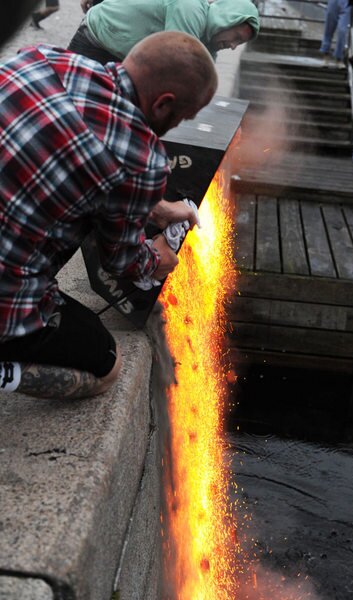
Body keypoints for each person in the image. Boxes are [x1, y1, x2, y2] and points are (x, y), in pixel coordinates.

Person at [0, 31, 218, 400]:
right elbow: (123, 261)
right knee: (106, 364)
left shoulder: (41, 59)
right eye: (183, 117)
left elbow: (80, 161)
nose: (178, 126)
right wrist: (159, 258)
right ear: (164, 104)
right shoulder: (143, 161)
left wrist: (158, 207)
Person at [68, 0, 260, 64]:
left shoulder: (206, 38)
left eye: (239, 43)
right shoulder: (190, 8)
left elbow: (203, 72)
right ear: (225, 19)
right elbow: (176, 62)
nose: (233, 46)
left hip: (120, 55)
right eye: (236, 37)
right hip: (97, 40)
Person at [320, 0, 353, 68]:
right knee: (329, 29)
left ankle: (338, 58)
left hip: (346, 3)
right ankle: (326, 56)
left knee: (342, 31)